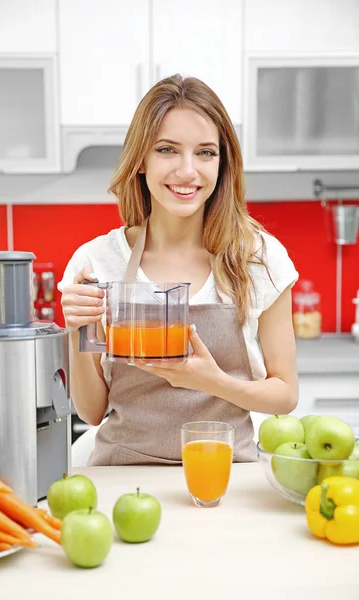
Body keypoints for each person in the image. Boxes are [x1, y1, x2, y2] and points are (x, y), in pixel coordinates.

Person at [58, 74, 299, 466]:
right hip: (123, 473)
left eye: (205, 153)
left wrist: (211, 381)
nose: (188, 171)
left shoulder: (258, 258)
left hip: (227, 476)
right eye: (168, 150)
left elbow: (285, 395)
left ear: (222, 164)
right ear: (140, 159)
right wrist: (76, 331)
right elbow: (91, 411)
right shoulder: (96, 262)